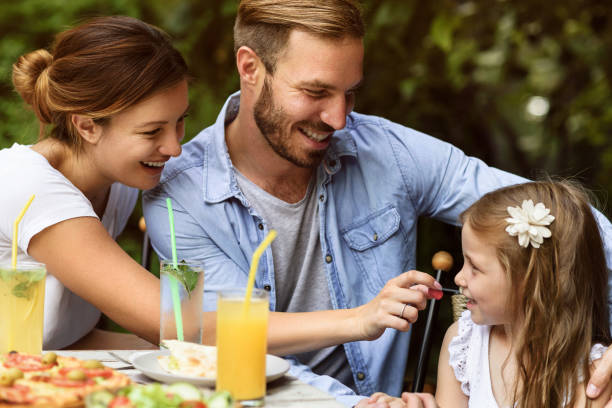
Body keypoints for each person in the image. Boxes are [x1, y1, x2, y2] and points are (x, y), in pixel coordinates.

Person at [142, 1, 612, 406]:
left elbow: (558, 220)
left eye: (350, 93)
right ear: (250, 68)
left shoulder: (388, 153)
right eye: (315, 92)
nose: (339, 118)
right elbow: (224, 343)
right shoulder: (179, 196)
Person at [2, 15, 422, 353]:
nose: (174, 147)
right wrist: (358, 320)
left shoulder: (118, 180)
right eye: (152, 132)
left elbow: (65, 338)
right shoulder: (29, 187)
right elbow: (181, 323)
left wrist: (177, 356)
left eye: (179, 122)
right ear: (87, 126)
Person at [360, 180, 612, 408]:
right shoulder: (464, 343)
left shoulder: (595, 376)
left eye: (475, 267)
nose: (459, 278)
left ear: (532, 281)